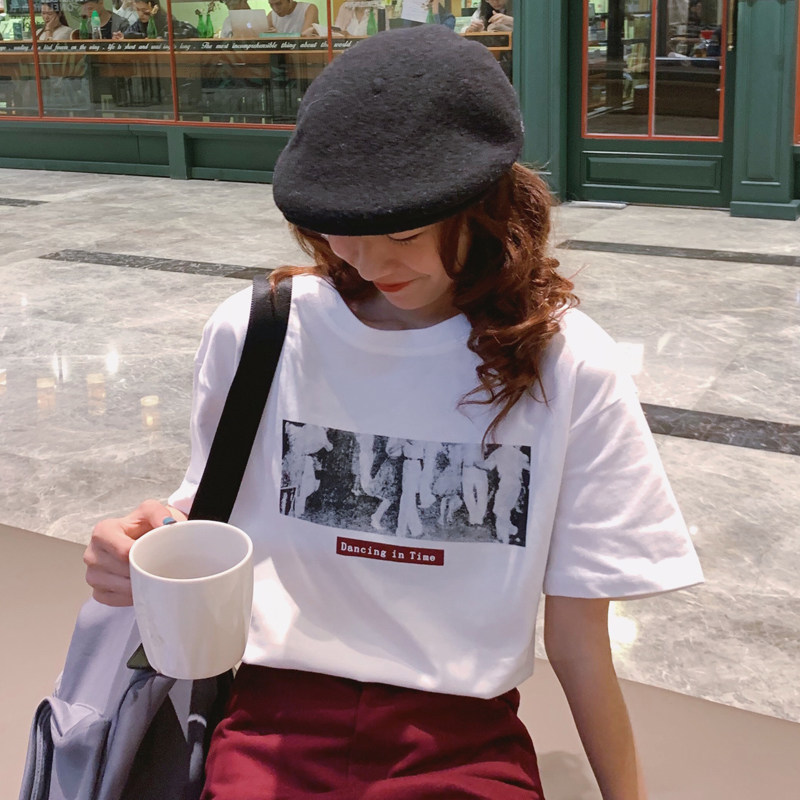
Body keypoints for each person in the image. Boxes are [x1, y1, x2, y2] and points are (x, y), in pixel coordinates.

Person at [84, 25, 703, 799]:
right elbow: (210, 521)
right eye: (340, 230)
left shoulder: (566, 364)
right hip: (272, 726)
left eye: (403, 233)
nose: (369, 263)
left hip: (462, 741)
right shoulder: (262, 332)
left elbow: (580, 642)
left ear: (485, 205)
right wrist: (139, 543)